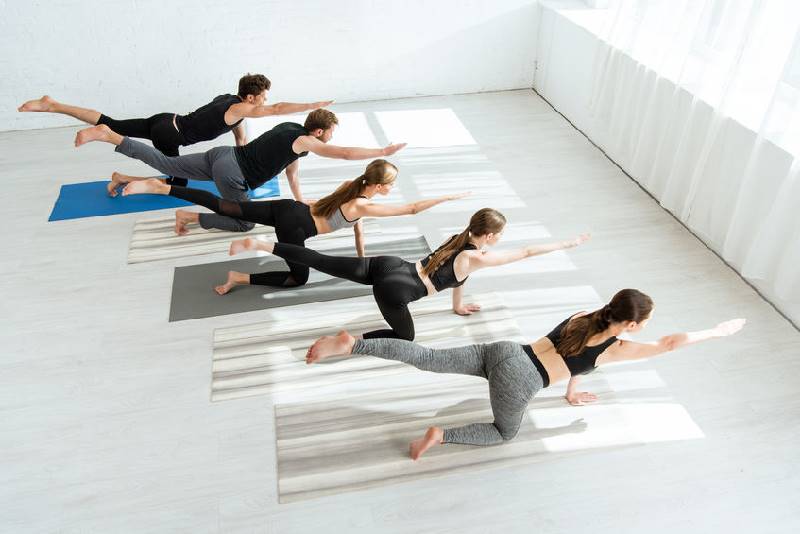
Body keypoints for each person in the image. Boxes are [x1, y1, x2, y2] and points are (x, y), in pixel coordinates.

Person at [304, 289, 746, 460]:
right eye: (643, 322)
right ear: (630, 325)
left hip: (505, 349)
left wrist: (573, 389)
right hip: (520, 381)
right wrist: (717, 331)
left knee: (428, 357)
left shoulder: (584, 316)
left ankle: (354, 344)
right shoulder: (620, 348)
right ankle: (442, 435)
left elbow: (578, 358)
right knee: (502, 433)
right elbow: (669, 344)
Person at [230, 208, 589, 339]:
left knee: (321, 259)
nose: (502, 243)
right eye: (500, 237)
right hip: (397, 288)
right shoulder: (477, 256)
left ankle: (265, 245)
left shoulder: (460, 239)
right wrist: (565, 245)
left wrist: (459, 306)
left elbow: (458, 278)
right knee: (405, 339)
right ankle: (352, 342)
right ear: (491, 237)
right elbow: (525, 253)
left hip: (392, 264)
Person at [120, 159, 468, 290]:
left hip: (289, 209)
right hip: (296, 230)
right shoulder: (364, 203)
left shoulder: (354, 189)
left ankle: (163, 186)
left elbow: (357, 224)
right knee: (298, 277)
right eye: (389, 185)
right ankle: (241, 277)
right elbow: (409, 209)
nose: (391, 190)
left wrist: (362, 254)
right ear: (378, 186)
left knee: (229, 206)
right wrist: (446, 198)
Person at [73, 109, 407, 232]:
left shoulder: (292, 129)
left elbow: (290, 169)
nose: (332, 138)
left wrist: (300, 198)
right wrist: (382, 151)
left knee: (167, 164)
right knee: (245, 221)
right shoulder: (308, 141)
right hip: (232, 175)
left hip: (223, 154)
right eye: (330, 132)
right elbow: (345, 153)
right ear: (319, 132)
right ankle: (190, 217)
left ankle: (112, 136)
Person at [18, 73, 332, 190]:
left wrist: (248, 154)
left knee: (110, 119)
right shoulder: (240, 109)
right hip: (171, 136)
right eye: (262, 98)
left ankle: (54, 104)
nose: (267, 102)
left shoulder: (231, 102)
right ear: (251, 98)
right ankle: (124, 179)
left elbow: (240, 137)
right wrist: (312, 104)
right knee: (174, 176)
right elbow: (276, 111)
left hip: (166, 119)